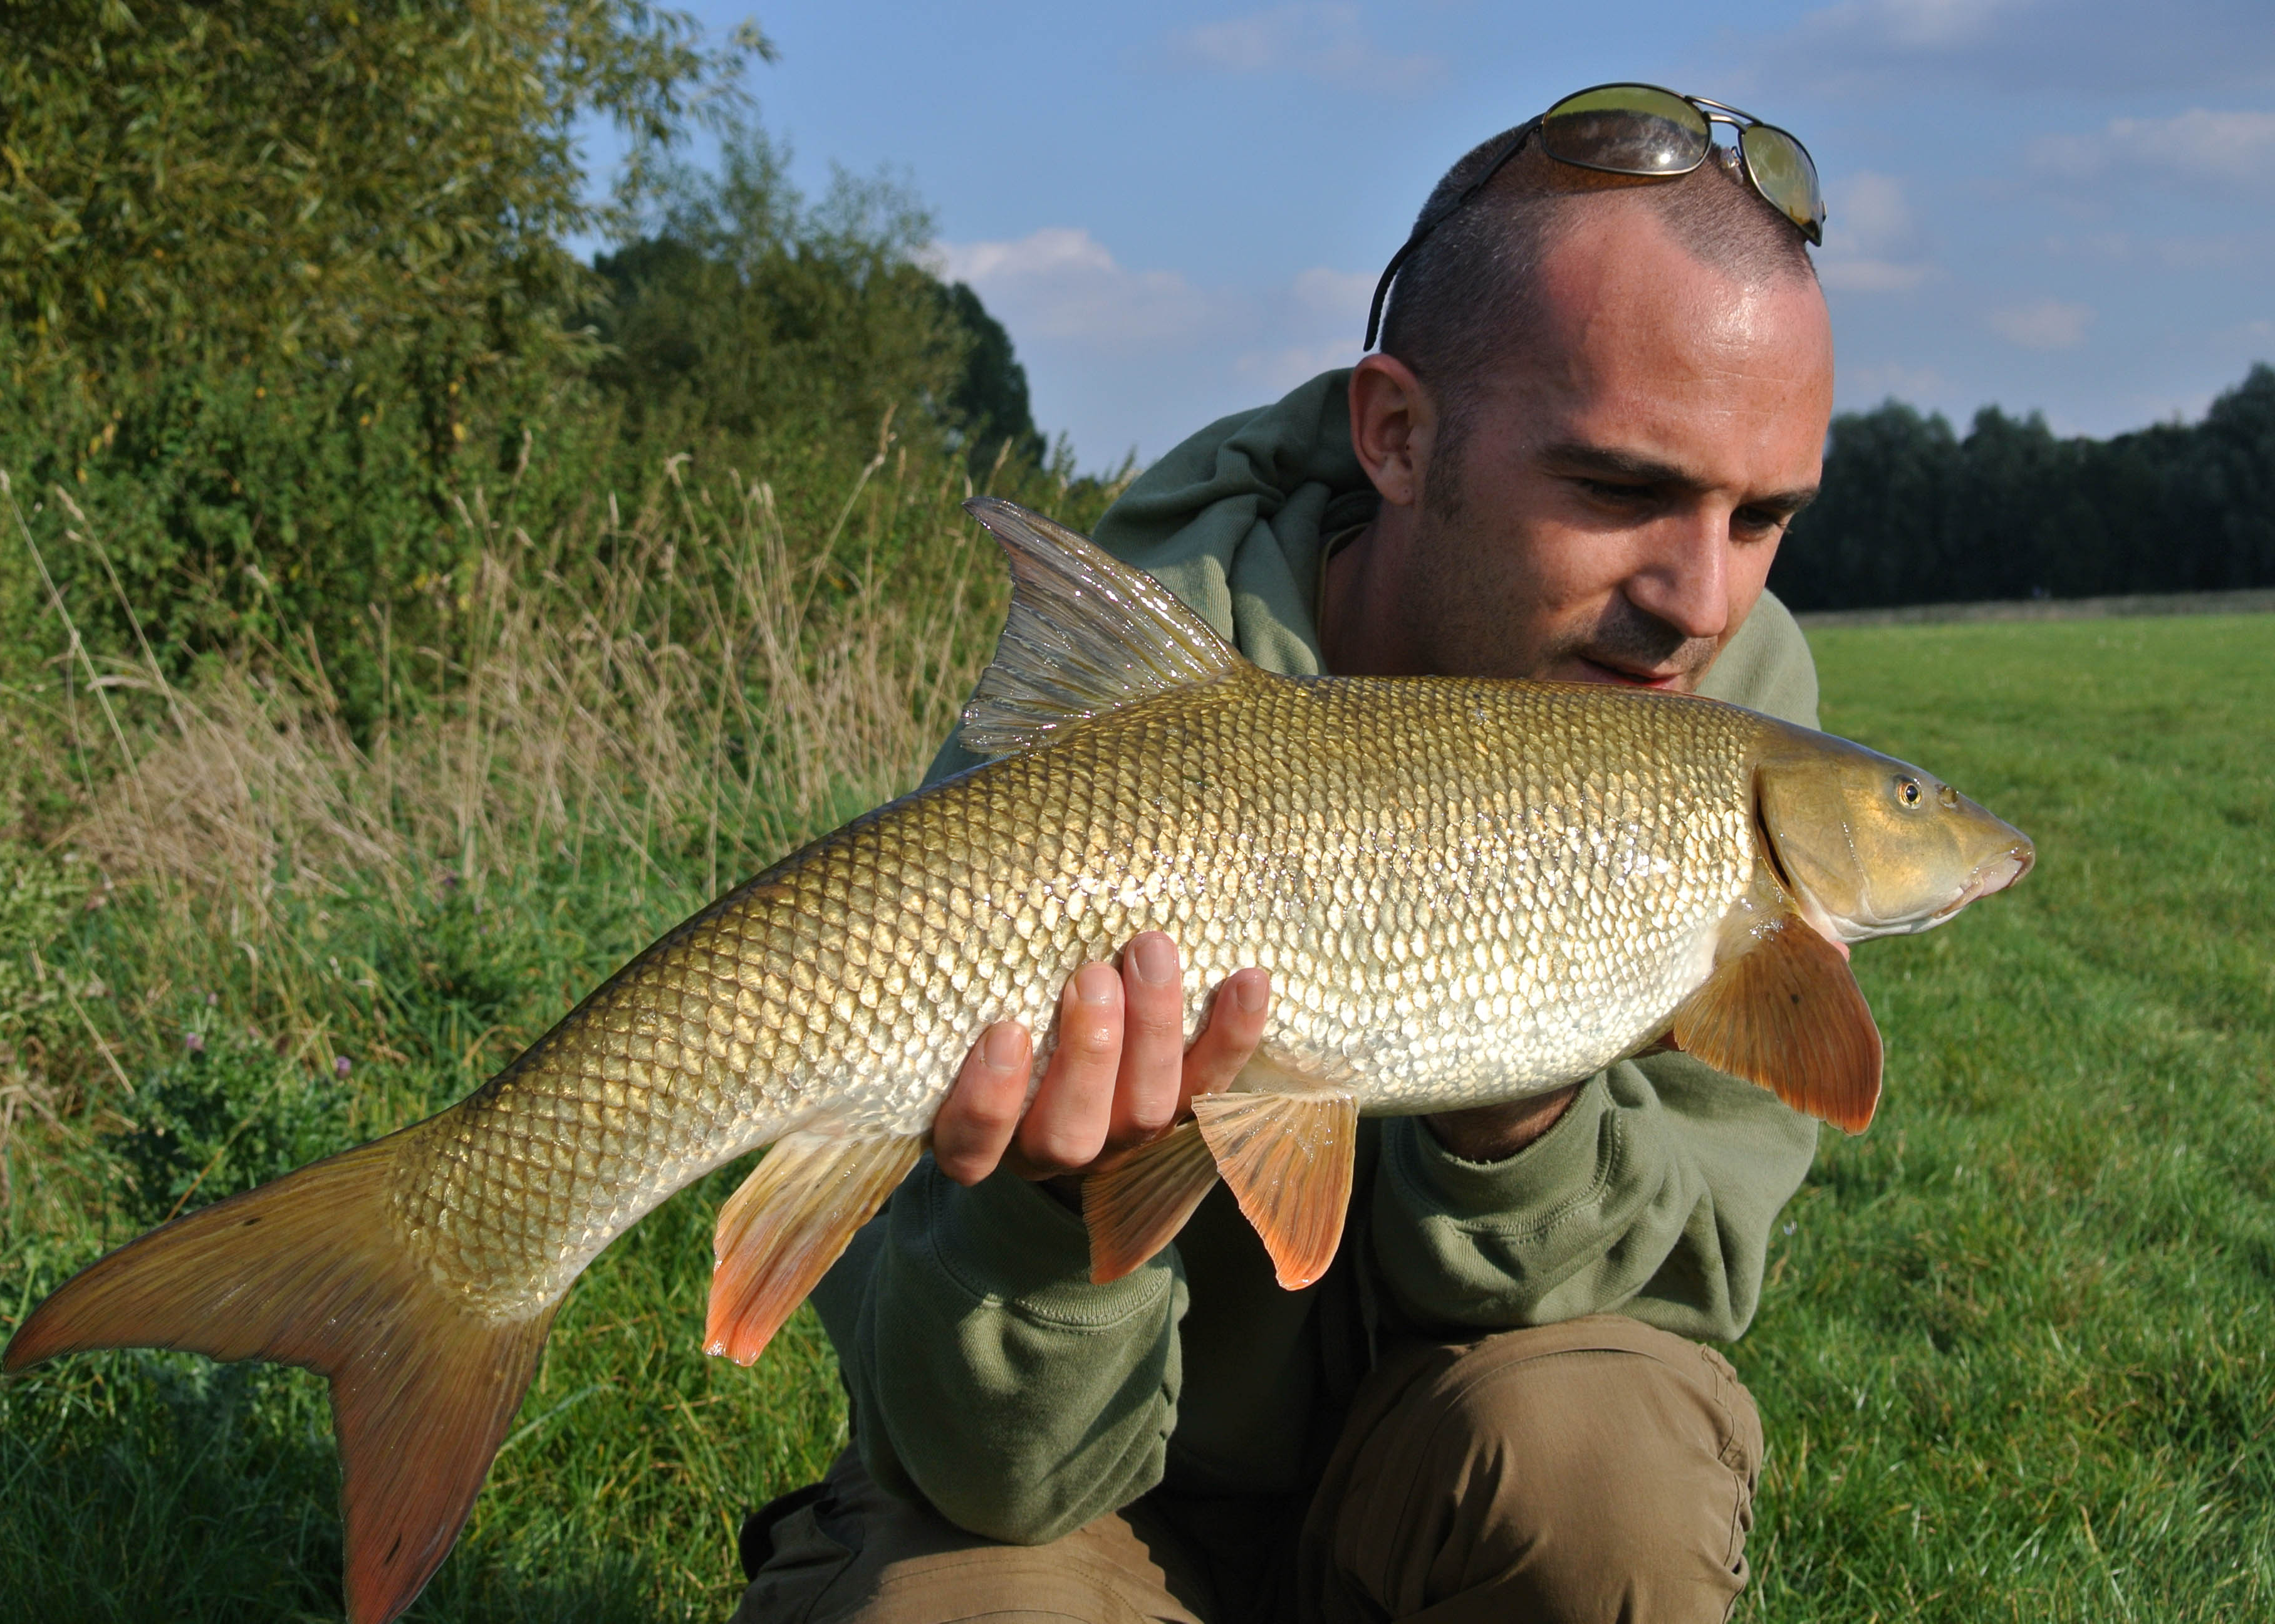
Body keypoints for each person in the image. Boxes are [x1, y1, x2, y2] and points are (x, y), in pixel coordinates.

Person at [735, 84, 1836, 1624]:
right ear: (1393, 433)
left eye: (1765, 515)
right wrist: (1051, 1210)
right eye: (1621, 489)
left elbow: (1659, 1313)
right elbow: (978, 1466)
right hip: (1092, 1496)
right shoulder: (1102, 754)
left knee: (1608, 1469)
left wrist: (1517, 1117)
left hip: (1441, 1470)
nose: (1701, 601)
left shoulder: (1728, 719)